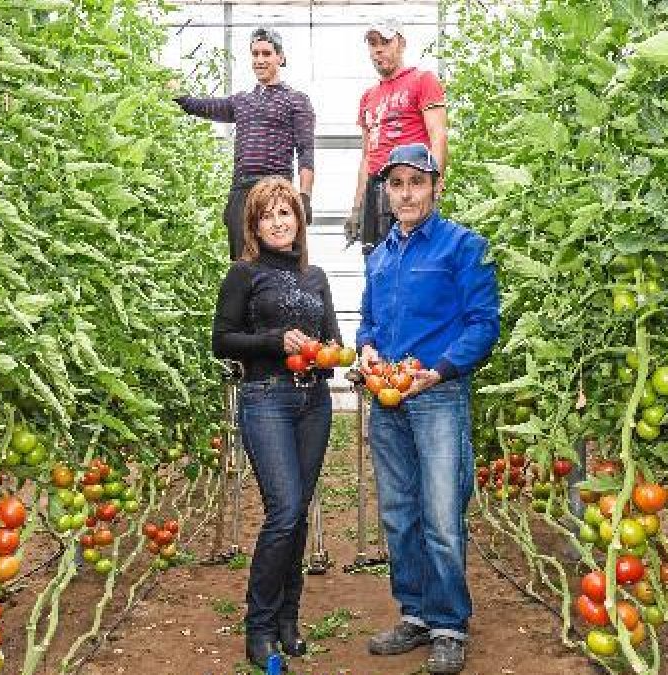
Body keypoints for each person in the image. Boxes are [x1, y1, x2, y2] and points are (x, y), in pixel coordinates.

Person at [356, 143, 499, 675]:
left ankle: (448, 624)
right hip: (388, 396)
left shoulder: (464, 246)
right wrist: (368, 349)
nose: (407, 192)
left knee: (441, 515)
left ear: (435, 187)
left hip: (436, 395)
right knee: (399, 514)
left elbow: (484, 324)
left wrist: (438, 370)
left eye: (417, 182)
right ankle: (415, 614)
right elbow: (369, 321)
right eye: (397, 184)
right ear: (387, 192)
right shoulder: (381, 255)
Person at [211, 177, 340, 669]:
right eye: (267, 215)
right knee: (283, 511)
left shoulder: (317, 276)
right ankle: (259, 627)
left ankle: (289, 618)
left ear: (298, 219)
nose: (278, 221)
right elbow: (222, 341)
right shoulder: (243, 275)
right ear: (254, 226)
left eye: (285, 212)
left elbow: (331, 338)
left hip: (314, 402)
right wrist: (274, 341)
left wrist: (323, 353)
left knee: (299, 510)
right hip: (266, 398)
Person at [175, 28, 315, 260]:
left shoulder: (296, 100)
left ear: (280, 57)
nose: (260, 60)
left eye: (266, 54)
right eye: (255, 54)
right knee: (242, 263)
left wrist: (305, 197)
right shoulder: (242, 101)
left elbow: (306, 151)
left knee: (276, 259)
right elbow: (204, 106)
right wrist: (177, 96)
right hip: (241, 190)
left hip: (275, 189)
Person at [344, 18, 448, 255]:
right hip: (376, 188)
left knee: (415, 259)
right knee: (376, 261)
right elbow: (366, 156)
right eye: (372, 43)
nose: (378, 49)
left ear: (401, 43)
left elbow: (438, 135)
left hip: (409, 182)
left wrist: (434, 185)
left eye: (385, 42)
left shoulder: (423, 80)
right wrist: (357, 206)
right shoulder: (368, 96)